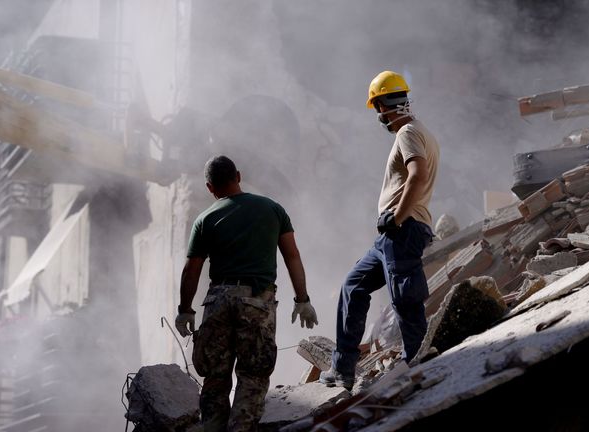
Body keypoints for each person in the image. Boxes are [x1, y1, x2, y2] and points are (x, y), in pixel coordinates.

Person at [175, 155, 318, 431]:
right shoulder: (273, 209)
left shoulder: (205, 219)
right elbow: (292, 256)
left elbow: (191, 270)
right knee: (253, 375)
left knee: (215, 378)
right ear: (238, 176)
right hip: (257, 301)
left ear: (209, 187)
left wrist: (185, 310)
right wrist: (302, 300)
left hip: (217, 301)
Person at [319, 71, 440, 390]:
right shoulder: (420, 132)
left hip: (404, 228)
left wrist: (397, 217)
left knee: (404, 296)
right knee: (353, 286)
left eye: (378, 108)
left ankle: (418, 356)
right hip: (392, 235)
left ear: (388, 104)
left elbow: (418, 174)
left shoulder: (409, 133)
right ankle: (343, 366)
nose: (379, 116)